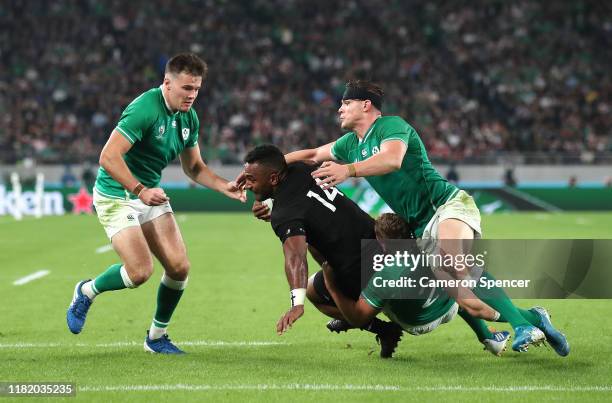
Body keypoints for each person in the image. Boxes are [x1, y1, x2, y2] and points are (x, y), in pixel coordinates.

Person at [269, 79, 553, 353]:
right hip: (418, 229)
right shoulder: (350, 143)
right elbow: (312, 155)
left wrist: (348, 170)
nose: (340, 109)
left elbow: (392, 159)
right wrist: (266, 168)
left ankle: (521, 327)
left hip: (446, 206)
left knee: (455, 260)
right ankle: (533, 319)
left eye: (346, 102)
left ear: (366, 105)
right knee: (465, 300)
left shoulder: (391, 126)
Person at [242, 144, 512, 358]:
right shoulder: (299, 170)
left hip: (356, 270)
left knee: (319, 292)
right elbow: (291, 179)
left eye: (251, 180)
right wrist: (264, 196)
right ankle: (487, 331)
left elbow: (295, 256)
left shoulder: (285, 215)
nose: (247, 184)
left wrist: (296, 303)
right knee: (447, 276)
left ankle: (377, 326)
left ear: (274, 177)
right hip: (379, 240)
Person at [66, 53, 246, 354]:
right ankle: (86, 291)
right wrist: (139, 190)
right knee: (139, 272)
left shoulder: (189, 117)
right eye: (186, 88)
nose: (192, 95)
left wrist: (223, 187)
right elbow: (108, 157)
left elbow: (194, 168)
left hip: (147, 192)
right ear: (167, 83)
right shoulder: (144, 109)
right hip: (117, 193)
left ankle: (156, 337)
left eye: (197, 89)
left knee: (179, 267)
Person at [322, 213, 569, 357]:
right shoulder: (427, 249)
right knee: (459, 289)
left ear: (378, 239)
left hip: (417, 324)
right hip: (447, 306)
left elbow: (359, 315)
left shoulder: (384, 271)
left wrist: (332, 286)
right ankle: (513, 327)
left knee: (355, 291)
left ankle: (521, 324)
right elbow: (473, 301)